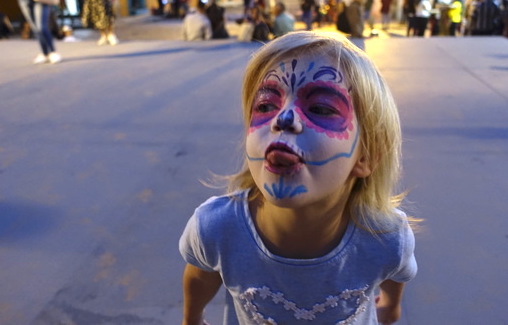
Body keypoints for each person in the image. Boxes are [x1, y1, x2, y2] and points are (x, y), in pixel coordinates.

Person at [179, 31, 417, 324]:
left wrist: (392, 305)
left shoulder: (386, 236)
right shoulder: (216, 228)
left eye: (320, 108)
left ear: (367, 156)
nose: (284, 119)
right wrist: (192, 319)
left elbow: (395, 272)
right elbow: (199, 278)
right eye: (266, 106)